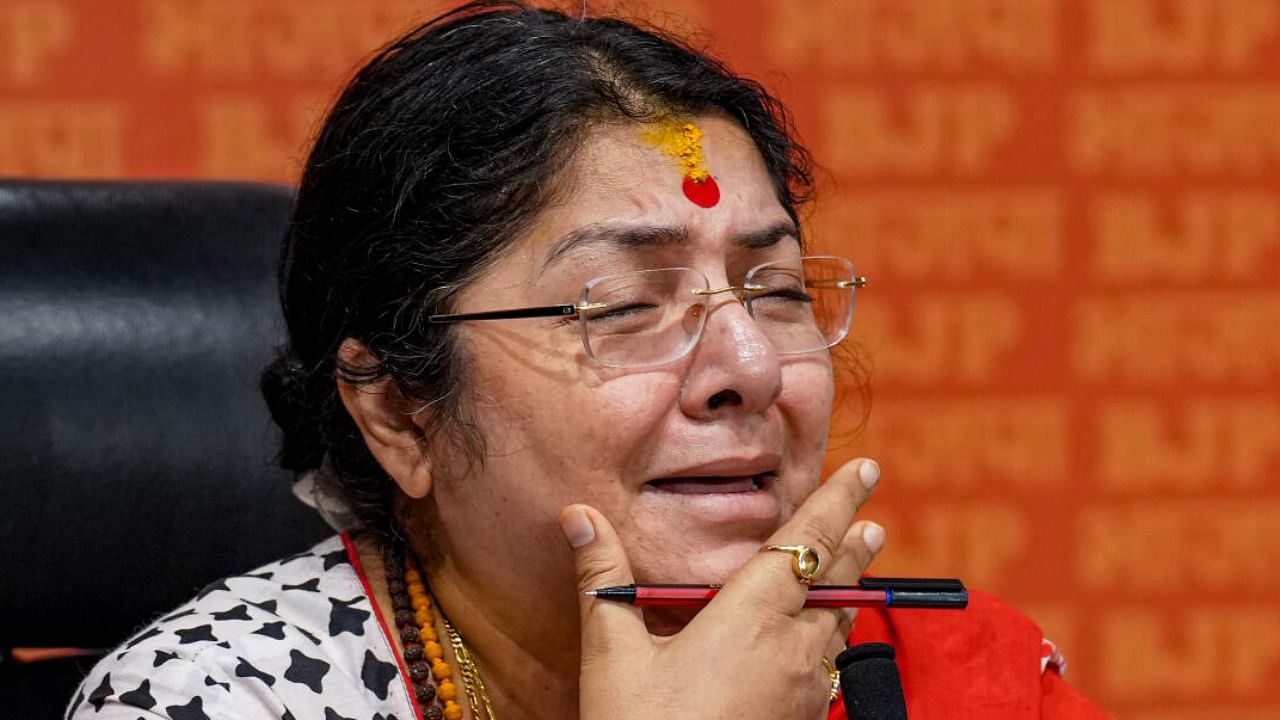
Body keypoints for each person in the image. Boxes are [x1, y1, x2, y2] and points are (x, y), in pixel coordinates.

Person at [67, 2, 1107, 718]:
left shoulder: (943, 671)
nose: (746, 365)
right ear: (396, 411)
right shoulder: (227, 697)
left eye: (776, 290)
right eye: (622, 306)